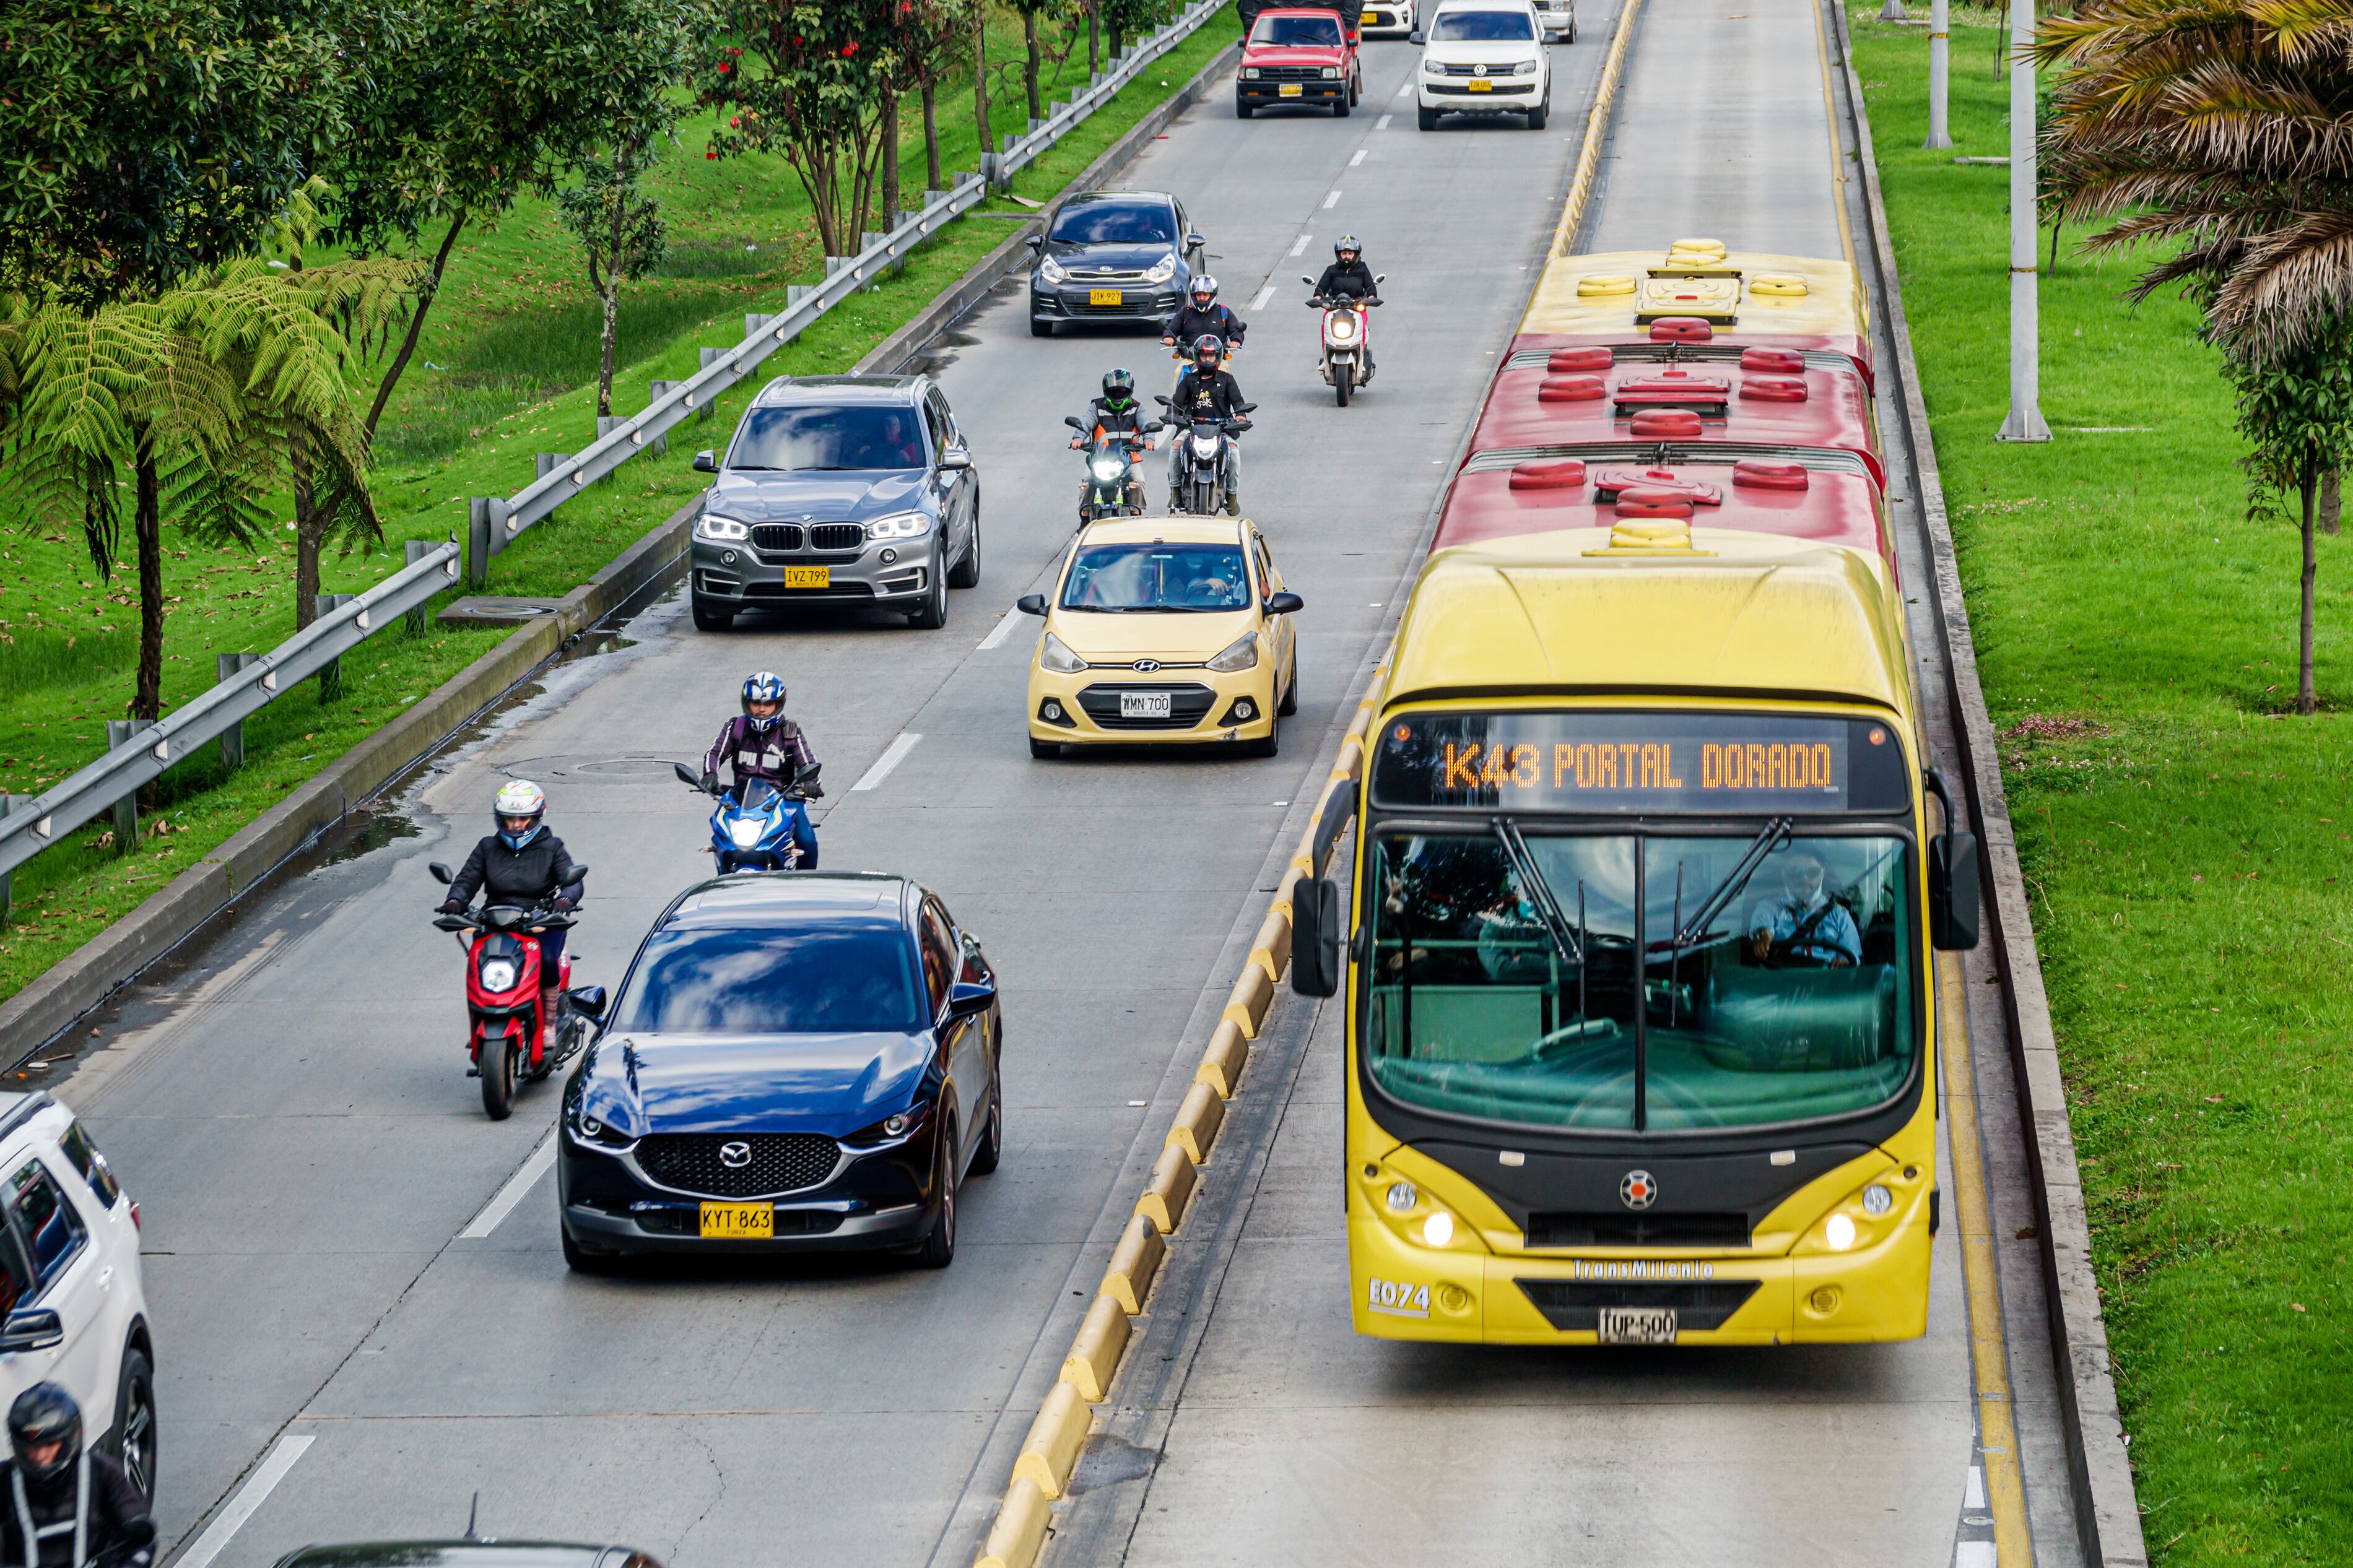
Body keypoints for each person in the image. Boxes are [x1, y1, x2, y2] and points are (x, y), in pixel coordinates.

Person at [439, 779, 586, 1026]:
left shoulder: (552, 847)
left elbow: (572, 880)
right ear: (501, 818)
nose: (516, 825)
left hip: (541, 920)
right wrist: (455, 900)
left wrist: (565, 899)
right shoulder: (487, 847)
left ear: (537, 817)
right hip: (494, 920)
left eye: (523, 819)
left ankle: (549, 1022)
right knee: (478, 965)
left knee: (548, 959)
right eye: (510, 819)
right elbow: (467, 880)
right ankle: (479, 1023)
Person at [0, 1384, 155, 1568]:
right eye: (32, 1448)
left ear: (70, 1438)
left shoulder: (103, 1473)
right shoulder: (5, 1479)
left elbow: (143, 1543)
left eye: (50, 1445)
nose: (40, 1456)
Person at [701, 672, 821, 800]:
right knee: (717, 819)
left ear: (779, 704)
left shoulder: (790, 733)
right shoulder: (736, 727)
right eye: (756, 703)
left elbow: (808, 763)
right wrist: (710, 774)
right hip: (741, 801)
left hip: (784, 801)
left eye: (768, 703)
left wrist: (811, 784)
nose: (762, 709)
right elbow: (715, 753)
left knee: (801, 819)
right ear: (747, 703)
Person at [1167, 336, 1248, 514]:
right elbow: (1176, 402)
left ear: (1218, 357)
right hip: (1191, 428)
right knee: (1175, 448)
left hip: (1222, 429)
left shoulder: (1227, 379)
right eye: (1203, 356)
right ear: (1197, 357)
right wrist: (1172, 415)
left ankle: (1232, 496)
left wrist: (1241, 416)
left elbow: (1238, 401)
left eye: (1211, 356)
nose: (1207, 359)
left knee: (1234, 453)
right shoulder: (1189, 380)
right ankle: (1175, 492)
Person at [1746, 848, 1861, 968]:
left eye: (1812, 872)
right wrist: (1763, 938)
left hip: (1826, 982)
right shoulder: (1768, 908)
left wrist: (1844, 964)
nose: (1804, 878)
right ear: (1784, 874)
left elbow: (1853, 961)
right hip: (1779, 982)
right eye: (1795, 871)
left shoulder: (1840, 915)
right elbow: (1761, 930)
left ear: (1823, 873)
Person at [1071, 368, 1153, 518]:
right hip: (1100, 458)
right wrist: (1078, 438)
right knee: (1087, 482)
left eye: (1122, 391)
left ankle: (1136, 515)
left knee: (1139, 482)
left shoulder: (1137, 408)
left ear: (1130, 390)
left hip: (1129, 457)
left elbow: (1146, 425)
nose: (1118, 395)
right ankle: (1084, 518)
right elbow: (1085, 423)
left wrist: (1149, 439)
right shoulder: (1097, 407)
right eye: (1114, 391)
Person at [1310, 235, 1381, 378]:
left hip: (1356, 306)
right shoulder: (1331, 270)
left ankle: (1361, 358)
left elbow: (1370, 288)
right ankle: (1326, 359)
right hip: (1335, 306)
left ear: (1356, 254)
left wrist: (1371, 298)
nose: (1347, 257)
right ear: (1339, 255)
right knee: (1325, 325)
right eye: (1344, 253)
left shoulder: (1362, 269)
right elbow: (1320, 289)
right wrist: (1318, 298)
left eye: (1350, 253)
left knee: (1362, 327)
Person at [1161, 275, 1245, 375]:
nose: (1201, 298)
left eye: (1205, 294)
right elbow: (1171, 329)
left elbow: (1237, 331)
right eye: (1198, 294)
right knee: (1179, 372)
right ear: (1193, 295)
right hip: (1190, 360)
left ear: (1212, 295)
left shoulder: (1223, 312)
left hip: (1217, 361)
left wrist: (1236, 341)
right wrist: (1168, 337)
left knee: (1224, 375)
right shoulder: (1185, 312)